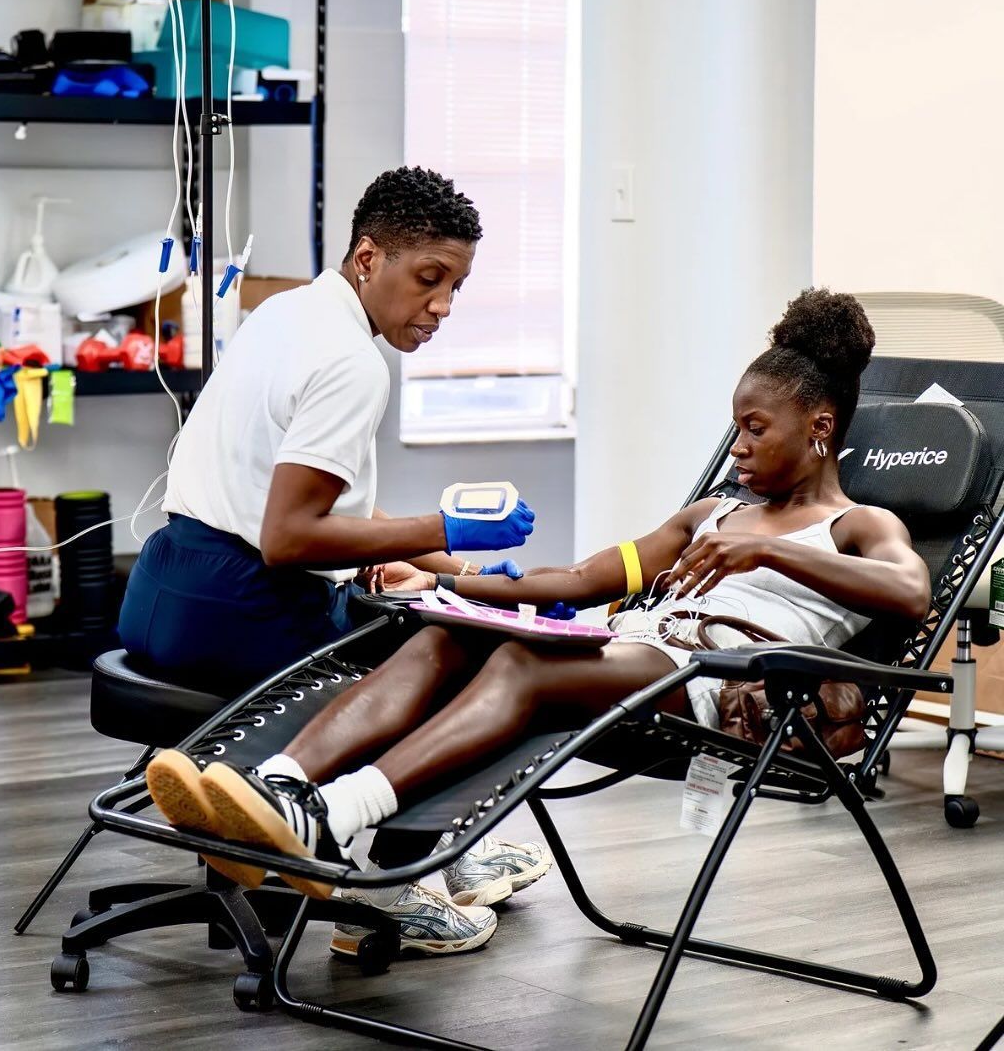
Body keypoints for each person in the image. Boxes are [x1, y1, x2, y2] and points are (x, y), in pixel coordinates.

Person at [145, 288, 931, 957]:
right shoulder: (711, 514)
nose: (740, 445)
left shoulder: (858, 527)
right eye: (736, 427)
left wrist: (772, 559)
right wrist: (446, 574)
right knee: (449, 632)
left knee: (520, 670)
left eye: (756, 428)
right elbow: (585, 578)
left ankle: (338, 815)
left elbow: (909, 596)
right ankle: (283, 790)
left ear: (820, 429)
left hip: (709, 683)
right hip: (632, 654)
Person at [120, 165, 549, 957]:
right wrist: (447, 528)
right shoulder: (355, 365)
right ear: (366, 258)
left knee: (432, 616)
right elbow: (291, 538)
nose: (442, 306)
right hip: (246, 602)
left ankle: (441, 850)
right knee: (442, 663)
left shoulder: (285, 315)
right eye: (428, 279)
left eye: (456, 286)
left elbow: (319, 513)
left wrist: (450, 561)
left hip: (164, 586)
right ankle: (390, 889)